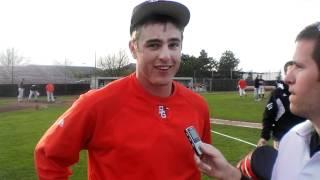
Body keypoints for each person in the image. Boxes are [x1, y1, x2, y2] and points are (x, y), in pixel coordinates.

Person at [34, 1, 212, 180]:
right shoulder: (97, 103)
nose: (165, 56)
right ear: (133, 48)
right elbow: (49, 155)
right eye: (153, 45)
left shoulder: (198, 105)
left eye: (173, 44)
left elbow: (201, 161)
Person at [194, 22, 320, 180]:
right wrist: (233, 175)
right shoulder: (293, 140)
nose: (287, 78)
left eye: (300, 67)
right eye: (291, 66)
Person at [257, 61, 306, 149]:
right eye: (290, 72)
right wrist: (264, 136)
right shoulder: (277, 94)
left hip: (304, 139)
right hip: (282, 139)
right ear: (285, 74)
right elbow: (268, 116)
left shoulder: (305, 91)